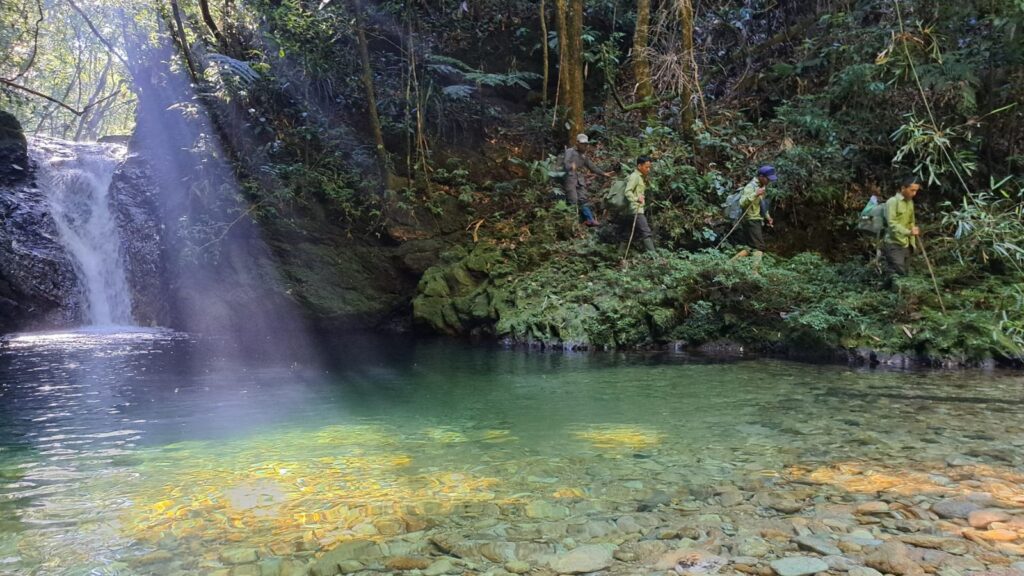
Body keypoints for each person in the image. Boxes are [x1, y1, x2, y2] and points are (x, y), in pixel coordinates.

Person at [563, 133, 613, 226]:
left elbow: (591, 166)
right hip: (570, 179)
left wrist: (603, 173)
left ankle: (590, 220)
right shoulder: (570, 151)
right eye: (582, 144)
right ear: (577, 143)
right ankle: (572, 224)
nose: (584, 146)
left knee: (583, 199)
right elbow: (565, 164)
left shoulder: (583, 156)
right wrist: (571, 166)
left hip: (579, 179)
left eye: (586, 144)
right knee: (573, 200)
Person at [882, 175, 921, 287]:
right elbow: (892, 224)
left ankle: (884, 291)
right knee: (900, 273)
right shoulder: (892, 202)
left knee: (899, 272)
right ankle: (898, 297)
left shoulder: (910, 202)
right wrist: (908, 232)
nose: (914, 194)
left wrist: (913, 238)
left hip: (906, 244)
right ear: (903, 188)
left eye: (916, 191)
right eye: (912, 190)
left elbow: (911, 222)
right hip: (894, 243)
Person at [737, 165, 777, 253]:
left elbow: (761, 203)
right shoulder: (750, 187)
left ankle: (742, 263)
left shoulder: (762, 186)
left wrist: (768, 217)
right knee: (759, 247)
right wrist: (755, 194)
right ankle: (755, 266)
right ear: (761, 177)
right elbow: (742, 203)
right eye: (768, 178)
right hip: (751, 220)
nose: (769, 181)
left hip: (757, 219)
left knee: (752, 247)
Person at [623, 155, 655, 253]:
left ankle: (619, 256)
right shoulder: (635, 176)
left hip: (631, 210)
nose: (648, 169)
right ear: (639, 166)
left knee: (626, 235)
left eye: (649, 167)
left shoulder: (641, 177)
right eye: (646, 167)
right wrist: (637, 199)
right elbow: (627, 191)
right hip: (635, 210)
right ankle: (655, 258)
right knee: (646, 232)